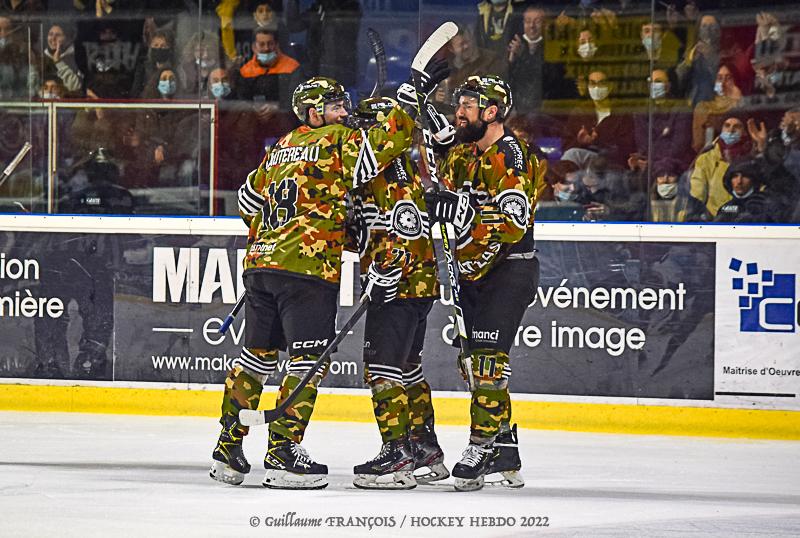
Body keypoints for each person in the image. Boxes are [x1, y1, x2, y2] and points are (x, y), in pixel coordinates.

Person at [210, 76, 416, 490]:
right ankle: (283, 453)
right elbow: (388, 142)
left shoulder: (280, 147)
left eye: (344, 104)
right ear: (313, 112)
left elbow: (247, 202)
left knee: (256, 359)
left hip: (261, 264)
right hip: (306, 270)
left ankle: (227, 451)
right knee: (307, 362)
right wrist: (407, 105)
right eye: (336, 105)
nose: (345, 111)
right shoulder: (335, 140)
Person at [431, 75, 539, 491]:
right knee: (472, 364)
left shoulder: (511, 155)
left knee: (488, 362)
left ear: (492, 112)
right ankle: (504, 448)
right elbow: (442, 185)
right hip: (473, 270)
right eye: (458, 104)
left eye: (468, 105)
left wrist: (464, 214)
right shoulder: (466, 152)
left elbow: (514, 221)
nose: (459, 112)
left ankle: (481, 446)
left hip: (509, 270)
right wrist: (436, 148)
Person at [346, 97, 449, 490]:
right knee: (407, 369)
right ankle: (424, 448)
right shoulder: (397, 167)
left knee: (382, 369)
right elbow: (372, 228)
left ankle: (397, 455)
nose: (356, 132)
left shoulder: (386, 170)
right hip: (417, 283)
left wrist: (384, 268)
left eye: (362, 124)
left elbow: (404, 227)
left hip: (399, 285)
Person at [506, 5, 573, 113]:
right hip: (518, 109)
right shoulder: (516, 46)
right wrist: (511, 59)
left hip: (545, 110)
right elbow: (508, 82)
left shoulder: (554, 48)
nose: (532, 26)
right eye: (528, 21)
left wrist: (524, 55)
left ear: (546, 25)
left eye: (537, 22)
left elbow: (546, 81)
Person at [690, 114, 753, 217]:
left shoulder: (752, 158)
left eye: (737, 126)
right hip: (714, 219)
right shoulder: (706, 159)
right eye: (727, 125)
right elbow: (697, 194)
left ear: (745, 131)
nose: (731, 130)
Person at [235, 28, 302, 109]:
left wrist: (277, 108)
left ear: (276, 45)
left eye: (270, 44)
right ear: (254, 47)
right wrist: (253, 109)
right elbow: (241, 102)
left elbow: (298, 99)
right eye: (261, 44)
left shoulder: (292, 67)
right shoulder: (245, 71)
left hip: (284, 115)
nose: (266, 48)